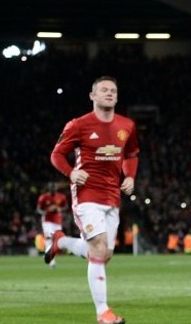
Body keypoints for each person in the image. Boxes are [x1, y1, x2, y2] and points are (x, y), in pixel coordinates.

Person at [46, 76, 139, 324]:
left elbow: (131, 154)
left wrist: (129, 175)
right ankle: (103, 314)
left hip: (113, 196)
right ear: (93, 96)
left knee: (105, 253)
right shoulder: (78, 125)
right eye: (104, 90)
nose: (109, 93)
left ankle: (61, 241)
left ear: (117, 97)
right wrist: (72, 172)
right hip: (86, 194)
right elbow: (56, 155)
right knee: (98, 246)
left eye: (113, 91)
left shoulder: (127, 125)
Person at [36, 181, 68, 269]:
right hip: (47, 221)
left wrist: (58, 208)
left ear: (56, 188)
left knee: (56, 240)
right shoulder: (43, 197)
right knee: (49, 238)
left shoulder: (61, 197)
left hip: (57, 221)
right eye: (51, 188)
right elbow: (39, 209)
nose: (52, 189)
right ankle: (51, 261)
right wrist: (47, 211)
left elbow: (65, 206)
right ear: (48, 188)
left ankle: (48, 254)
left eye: (54, 187)